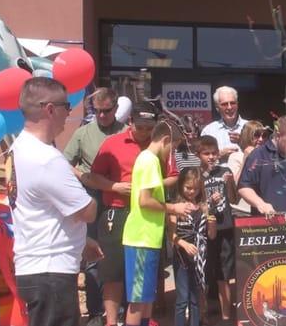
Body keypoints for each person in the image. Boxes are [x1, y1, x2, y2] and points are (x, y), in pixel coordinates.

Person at [12, 77, 101, 326]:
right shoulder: (47, 159)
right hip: (51, 273)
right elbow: (88, 210)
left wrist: (82, 239)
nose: (68, 114)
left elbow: (43, 212)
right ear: (50, 109)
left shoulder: (19, 148)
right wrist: (78, 177)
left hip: (37, 267)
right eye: (66, 107)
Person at [82, 101, 161, 326]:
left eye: (149, 127)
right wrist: (115, 187)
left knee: (144, 272)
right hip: (117, 211)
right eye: (141, 126)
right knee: (113, 271)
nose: (145, 132)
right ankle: (111, 320)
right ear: (130, 122)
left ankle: (141, 318)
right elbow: (93, 177)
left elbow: (173, 175)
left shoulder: (158, 146)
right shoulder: (112, 144)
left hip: (148, 215)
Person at [63, 87, 125, 325]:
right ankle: (96, 312)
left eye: (106, 111)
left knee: (117, 255)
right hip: (92, 197)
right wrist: (81, 176)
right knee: (93, 256)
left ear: (116, 109)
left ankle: (118, 311)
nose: (101, 116)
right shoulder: (83, 133)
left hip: (120, 198)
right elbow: (64, 162)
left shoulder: (126, 132)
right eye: (97, 111)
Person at [121, 120, 190, 326]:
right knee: (137, 300)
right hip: (141, 239)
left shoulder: (148, 159)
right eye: (173, 147)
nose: (172, 153)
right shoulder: (149, 160)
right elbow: (145, 200)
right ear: (166, 140)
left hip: (149, 239)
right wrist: (173, 208)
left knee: (147, 297)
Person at [168, 168, 217, 326]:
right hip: (182, 257)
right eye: (188, 188)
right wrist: (184, 244)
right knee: (182, 299)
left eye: (196, 189)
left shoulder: (203, 206)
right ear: (181, 185)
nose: (192, 191)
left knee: (196, 298)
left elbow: (211, 236)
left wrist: (212, 224)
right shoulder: (176, 207)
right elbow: (171, 235)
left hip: (200, 258)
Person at [196, 135, 238, 322]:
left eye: (214, 153)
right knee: (204, 273)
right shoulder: (196, 174)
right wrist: (207, 201)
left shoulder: (225, 170)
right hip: (204, 230)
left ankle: (226, 316)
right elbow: (195, 201)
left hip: (225, 228)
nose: (211, 157)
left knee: (225, 273)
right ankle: (203, 315)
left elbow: (234, 199)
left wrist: (229, 183)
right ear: (198, 155)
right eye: (207, 154)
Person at [228, 120, 269, 216]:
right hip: (241, 211)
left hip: (262, 209)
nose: (260, 139)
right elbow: (235, 187)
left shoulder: (268, 158)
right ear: (247, 136)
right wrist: (246, 158)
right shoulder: (236, 156)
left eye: (264, 136)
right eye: (257, 135)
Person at [201, 86, 248, 163]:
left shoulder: (250, 127)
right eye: (224, 104)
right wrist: (219, 155)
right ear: (217, 107)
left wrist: (243, 144)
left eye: (232, 103)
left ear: (237, 104)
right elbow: (202, 162)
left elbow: (261, 156)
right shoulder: (209, 131)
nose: (229, 107)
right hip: (217, 174)